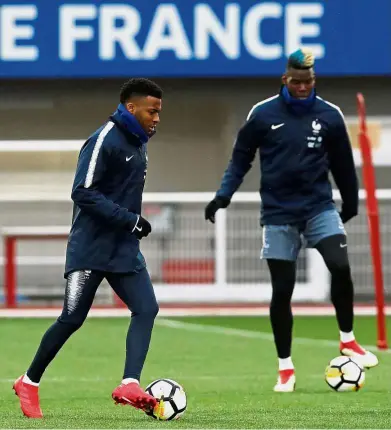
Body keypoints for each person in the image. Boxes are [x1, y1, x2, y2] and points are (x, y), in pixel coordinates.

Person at [205, 49, 378, 393]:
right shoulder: (263, 114)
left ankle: (348, 339)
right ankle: (285, 367)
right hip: (278, 212)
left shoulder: (329, 115)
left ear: (314, 81)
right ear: (285, 80)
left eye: (308, 81)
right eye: (296, 82)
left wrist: (352, 202)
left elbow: (344, 164)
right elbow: (241, 159)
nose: (302, 87)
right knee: (282, 290)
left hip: (318, 206)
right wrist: (223, 195)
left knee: (340, 265)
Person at [13, 78, 163, 417]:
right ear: (131, 107)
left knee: (147, 309)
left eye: (158, 113)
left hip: (123, 250)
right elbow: (82, 192)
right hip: (90, 249)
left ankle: (129, 383)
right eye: (151, 111)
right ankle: (29, 381)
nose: (156, 119)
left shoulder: (140, 142)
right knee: (72, 318)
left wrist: (129, 227)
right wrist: (130, 220)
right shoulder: (103, 141)